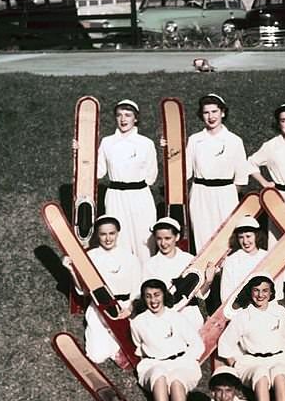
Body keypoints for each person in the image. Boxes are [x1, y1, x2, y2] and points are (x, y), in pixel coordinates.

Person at [217, 275, 285, 401]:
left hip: (277, 358)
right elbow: (225, 343)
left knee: (280, 375)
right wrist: (235, 363)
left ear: (271, 293)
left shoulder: (279, 312)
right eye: (256, 291)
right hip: (252, 362)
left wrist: (281, 352)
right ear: (250, 292)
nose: (260, 295)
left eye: (265, 291)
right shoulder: (243, 316)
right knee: (261, 376)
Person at [130, 279, 203, 401]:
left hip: (181, 362)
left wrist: (187, 360)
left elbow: (197, 344)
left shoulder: (177, 317)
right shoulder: (138, 322)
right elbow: (140, 347)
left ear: (164, 295)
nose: (153, 300)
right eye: (148, 296)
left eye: (157, 295)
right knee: (158, 375)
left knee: (177, 380)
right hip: (154, 362)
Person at [63, 215, 141, 368]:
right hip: (100, 307)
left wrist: (130, 309)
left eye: (111, 233)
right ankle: (114, 346)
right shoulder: (90, 257)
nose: (107, 238)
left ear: (118, 233)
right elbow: (83, 291)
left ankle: (119, 344)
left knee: (134, 347)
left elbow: (137, 289)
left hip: (125, 307)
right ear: (97, 235)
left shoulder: (130, 258)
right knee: (97, 356)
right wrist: (72, 270)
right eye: (103, 234)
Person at [181, 94, 248, 252]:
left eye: (214, 111)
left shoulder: (234, 140)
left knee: (226, 239)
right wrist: (171, 151)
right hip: (200, 194)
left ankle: (226, 275)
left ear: (222, 113)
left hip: (226, 194)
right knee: (202, 238)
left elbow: (241, 177)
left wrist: (227, 193)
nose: (211, 117)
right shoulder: (195, 140)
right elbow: (185, 172)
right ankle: (204, 275)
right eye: (206, 112)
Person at [96, 99, 158, 261]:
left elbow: (151, 176)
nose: (123, 119)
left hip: (140, 196)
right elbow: (98, 171)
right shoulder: (107, 142)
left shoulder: (146, 143)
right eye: (119, 115)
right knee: (119, 240)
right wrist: (80, 154)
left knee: (144, 240)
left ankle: (147, 283)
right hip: (115, 196)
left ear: (135, 118)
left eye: (128, 115)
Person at [142, 216, 210, 332]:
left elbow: (200, 294)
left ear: (177, 237)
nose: (163, 243)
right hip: (164, 317)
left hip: (190, 315)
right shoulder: (150, 265)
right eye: (159, 239)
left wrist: (208, 281)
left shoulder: (190, 260)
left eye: (168, 238)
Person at [219, 215, 283, 304]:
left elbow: (276, 289)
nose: (245, 241)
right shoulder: (231, 260)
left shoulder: (267, 257)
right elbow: (225, 293)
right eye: (241, 237)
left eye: (248, 236)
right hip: (240, 310)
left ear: (256, 236)